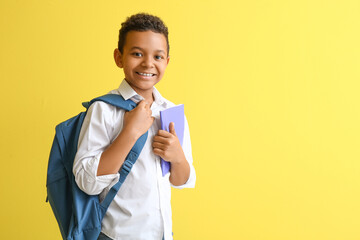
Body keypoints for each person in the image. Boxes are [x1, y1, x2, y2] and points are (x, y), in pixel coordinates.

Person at [73, 13, 196, 240]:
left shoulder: (170, 112)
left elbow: (180, 181)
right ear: (119, 57)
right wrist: (129, 132)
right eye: (137, 53)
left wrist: (178, 157)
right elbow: (87, 182)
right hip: (115, 235)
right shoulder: (104, 109)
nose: (148, 63)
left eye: (158, 56)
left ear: (167, 61)